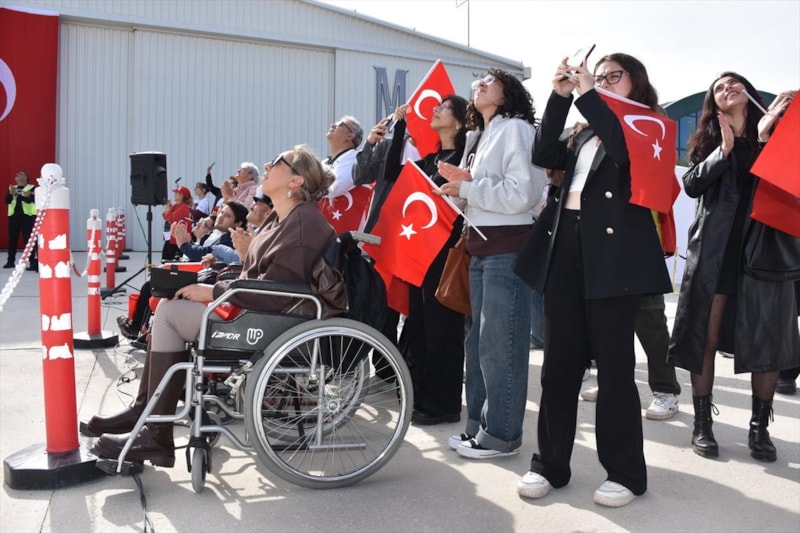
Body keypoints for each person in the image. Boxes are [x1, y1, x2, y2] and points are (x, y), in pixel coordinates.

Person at [89, 145, 339, 466]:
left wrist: (213, 291)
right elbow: (262, 275)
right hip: (257, 311)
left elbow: (276, 292)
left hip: (271, 323)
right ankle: (147, 414)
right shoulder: (282, 217)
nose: (266, 165)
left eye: (278, 162)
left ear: (296, 181)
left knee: (169, 314)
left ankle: (155, 430)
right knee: (169, 303)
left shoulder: (303, 222)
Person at [514, 53, 672, 507]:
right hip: (565, 243)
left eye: (612, 76)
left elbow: (625, 154)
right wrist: (559, 97)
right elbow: (544, 154)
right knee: (559, 364)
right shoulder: (584, 129)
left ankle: (625, 472)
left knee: (615, 367)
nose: (600, 81)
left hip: (616, 256)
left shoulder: (651, 124)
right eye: (597, 75)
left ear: (636, 81)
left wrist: (588, 95)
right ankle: (550, 464)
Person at [668, 73, 799, 462]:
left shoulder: (774, 136)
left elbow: (784, 185)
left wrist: (764, 140)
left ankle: (759, 429)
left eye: (733, 83)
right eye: (719, 88)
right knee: (704, 339)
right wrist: (724, 151)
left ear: (748, 92)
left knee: (766, 340)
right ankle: (702, 424)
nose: (727, 88)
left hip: (764, 252)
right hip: (715, 253)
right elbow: (691, 185)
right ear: (714, 103)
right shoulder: (709, 140)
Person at [438, 69, 545, 459]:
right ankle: (479, 427)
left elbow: (523, 193)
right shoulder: (481, 135)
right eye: (477, 82)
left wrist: (467, 187)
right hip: (481, 247)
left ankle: (501, 435)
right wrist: (458, 188)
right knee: (481, 344)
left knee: (501, 345)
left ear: (509, 92)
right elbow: (485, 195)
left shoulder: (516, 129)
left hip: (506, 247)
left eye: (489, 80)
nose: (479, 84)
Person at [379, 95, 469, 426]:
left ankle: (444, 403)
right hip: (421, 253)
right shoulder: (431, 159)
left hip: (446, 252)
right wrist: (399, 127)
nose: (434, 109)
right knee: (419, 325)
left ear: (459, 120)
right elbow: (391, 172)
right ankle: (421, 392)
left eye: (443, 107)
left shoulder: (464, 158)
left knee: (443, 328)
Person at [173, 201, 248, 261]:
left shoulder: (231, 238)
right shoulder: (214, 233)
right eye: (222, 212)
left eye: (227, 216)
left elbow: (205, 254)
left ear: (238, 223)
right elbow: (201, 249)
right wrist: (186, 241)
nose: (221, 217)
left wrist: (184, 245)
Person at [4, 171, 38, 271]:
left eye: (21, 174)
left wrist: (23, 195)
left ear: (26, 177)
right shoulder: (12, 188)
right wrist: (11, 194)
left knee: (29, 241)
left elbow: (31, 200)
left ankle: (32, 262)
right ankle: (10, 261)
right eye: (17, 175)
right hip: (13, 218)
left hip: (27, 217)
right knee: (12, 240)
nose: (18, 175)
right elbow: (7, 201)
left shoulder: (32, 188)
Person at [161, 185, 194, 261]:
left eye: (176, 193)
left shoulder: (184, 207)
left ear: (182, 195)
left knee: (172, 258)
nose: (174, 194)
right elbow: (165, 216)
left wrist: (168, 211)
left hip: (177, 240)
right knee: (165, 257)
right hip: (172, 237)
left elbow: (171, 219)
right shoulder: (176, 205)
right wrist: (168, 209)